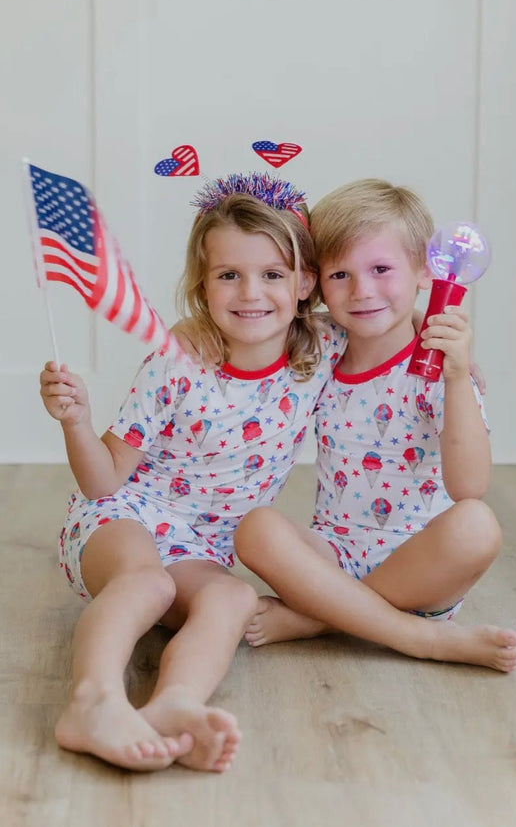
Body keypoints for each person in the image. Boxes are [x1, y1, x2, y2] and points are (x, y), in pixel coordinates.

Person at [39, 171, 352, 773]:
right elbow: (103, 481)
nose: (250, 292)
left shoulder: (321, 348)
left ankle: (174, 702)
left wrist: (444, 346)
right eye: (228, 275)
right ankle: (93, 698)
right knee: (147, 583)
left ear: (306, 282)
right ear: (203, 287)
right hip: (119, 515)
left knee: (233, 598)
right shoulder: (179, 361)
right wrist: (75, 421)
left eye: (272, 274)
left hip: (199, 544)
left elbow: (383, 319)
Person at [234, 178, 516, 673]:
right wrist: (186, 328)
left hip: (422, 568)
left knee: (477, 526)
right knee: (255, 528)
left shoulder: (440, 365)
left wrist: (455, 380)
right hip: (333, 556)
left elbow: (469, 485)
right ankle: (412, 635)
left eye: (382, 269)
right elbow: (246, 327)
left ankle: (322, 619)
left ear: (426, 272)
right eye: (340, 274)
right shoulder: (320, 344)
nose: (362, 291)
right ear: (316, 281)